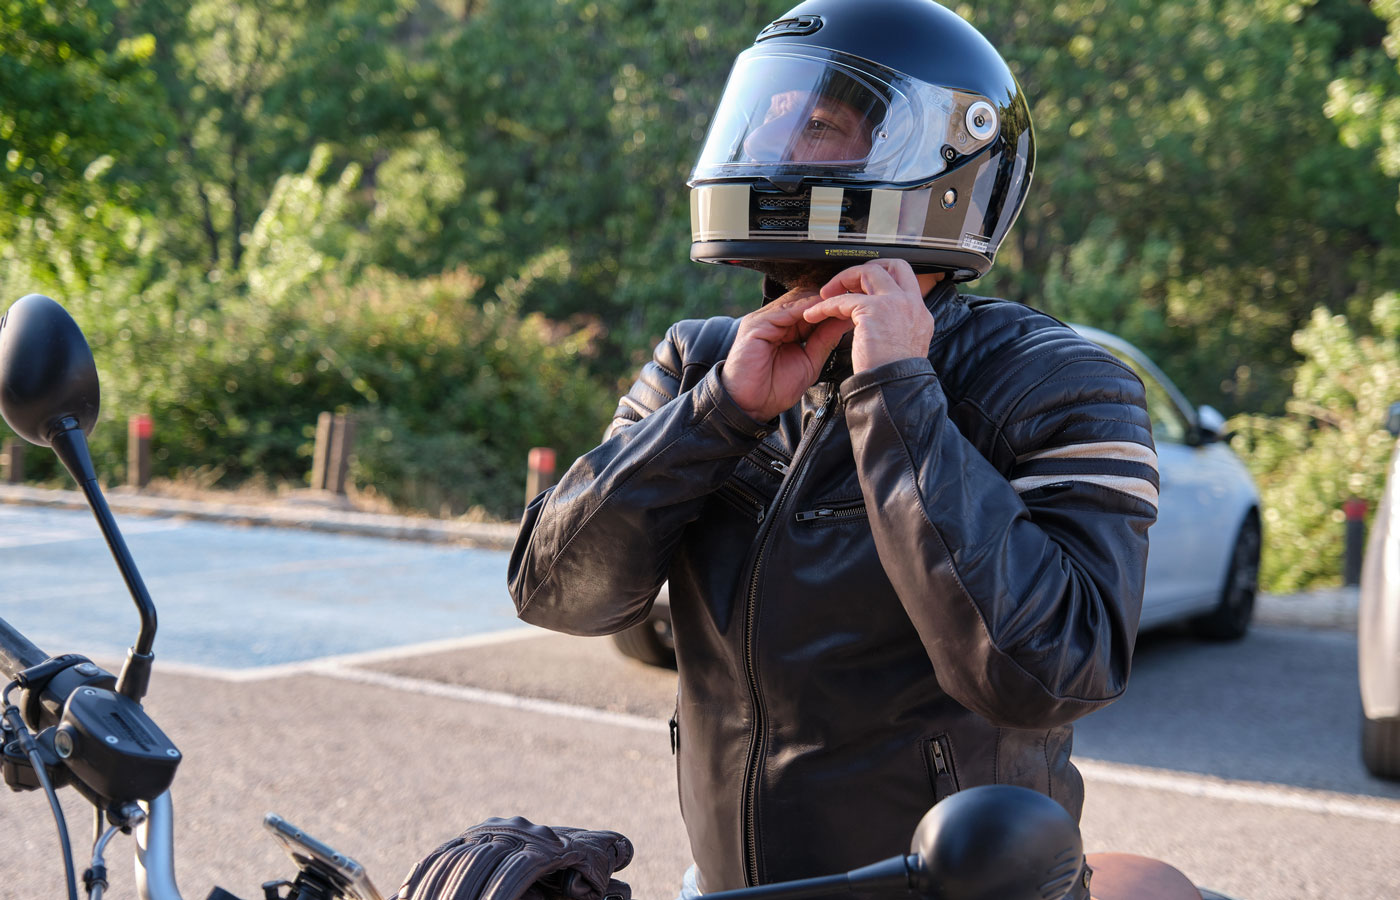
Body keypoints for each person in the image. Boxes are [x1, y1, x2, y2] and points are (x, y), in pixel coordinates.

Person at [507, 2, 1158, 899]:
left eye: (815, 123)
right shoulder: (700, 361)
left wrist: (894, 394)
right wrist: (718, 413)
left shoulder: (1060, 382)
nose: (773, 146)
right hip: (725, 885)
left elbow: (1046, 672)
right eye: (766, 114)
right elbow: (556, 594)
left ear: (942, 161)